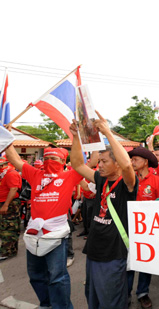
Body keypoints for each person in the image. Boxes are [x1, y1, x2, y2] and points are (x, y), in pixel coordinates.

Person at [69, 112, 138, 309]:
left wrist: (107, 132)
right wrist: (75, 138)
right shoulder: (100, 179)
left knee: (111, 301)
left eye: (104, 161)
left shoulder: (127, 184)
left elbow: (127, 164)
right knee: (93, 297)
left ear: (116, 164)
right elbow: (77, 165)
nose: (99, 165)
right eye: (99, 161)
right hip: (94, 251)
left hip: (113, 253)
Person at [4, 146, 82, 308]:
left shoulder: (69, 176)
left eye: (53, 158)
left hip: (56, 235)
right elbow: (14, 159)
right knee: (36, 276)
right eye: (46, 158)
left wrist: (78, 138)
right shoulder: (35, 174)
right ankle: (46, 304)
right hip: (34, 234)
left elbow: (87, 162)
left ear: (63, 161)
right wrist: (8, 139)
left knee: (57, 277)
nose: (48, 162)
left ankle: (62, 307)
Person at [126, 146, 159, 308]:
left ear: (145, 162)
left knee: (145, 262)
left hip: (148, 229)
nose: (132, 162)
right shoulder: (128, 179)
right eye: (131, 159)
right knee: (127, 263)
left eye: (136, 159)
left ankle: (143, 292)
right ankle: (125, 292)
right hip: (127, 227)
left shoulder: (157, 181)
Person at [0, 158, 22, 261]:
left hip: (9, 203)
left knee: (8, 228)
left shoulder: (11, 173)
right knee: (5, 227)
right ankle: (10, 250)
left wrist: (6, 204)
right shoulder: (4, 174)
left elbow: (14, 189)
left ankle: (6, 252)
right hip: (4, 202)